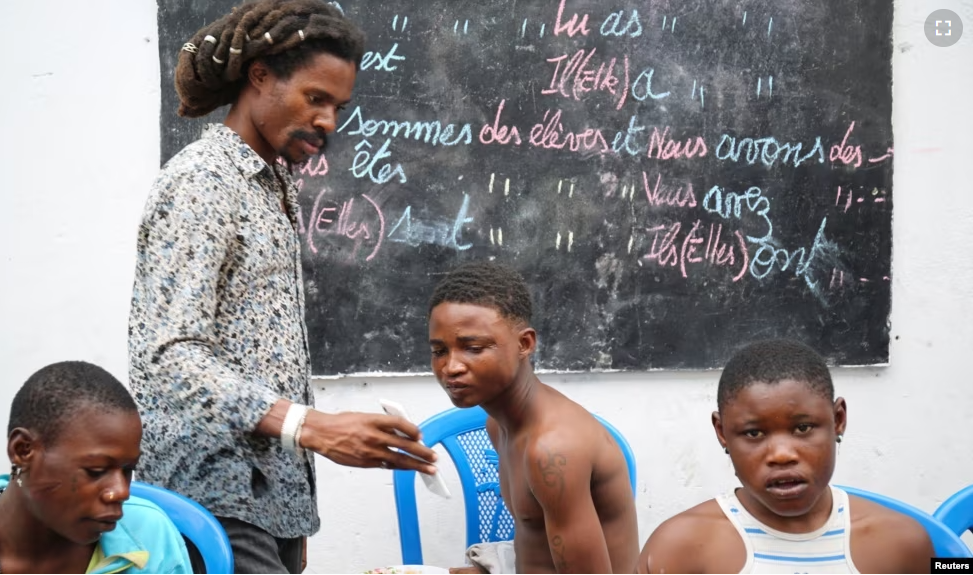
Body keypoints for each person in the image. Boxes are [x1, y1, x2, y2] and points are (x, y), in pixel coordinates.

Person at [128, 1, 437, 572]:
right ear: (261, 76)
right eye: (315, 98)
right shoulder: (203, 182)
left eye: (338, 107)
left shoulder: (272, 182)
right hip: (214, 492)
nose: (328, 122)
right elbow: (170, 353)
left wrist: (308, 438)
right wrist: (310, 425)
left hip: (273, 492)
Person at [636, 339, 934, 574]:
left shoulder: (903, 542)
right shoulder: (678, 548)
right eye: (753, 434)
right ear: (722, 432)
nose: (781, 455)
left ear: (838, 419)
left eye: (803, 428)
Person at [428, 261, 639, 574]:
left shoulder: (552, 450)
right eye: (439, 351)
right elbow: (536, 541)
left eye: (472, 347)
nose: (451, 367)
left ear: (524, 344)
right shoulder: (499, 426)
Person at [0, 361, 192, 574]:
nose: (121, 492)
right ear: (23, 451)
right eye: (96, 471)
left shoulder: (150, 535)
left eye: (128, 469)